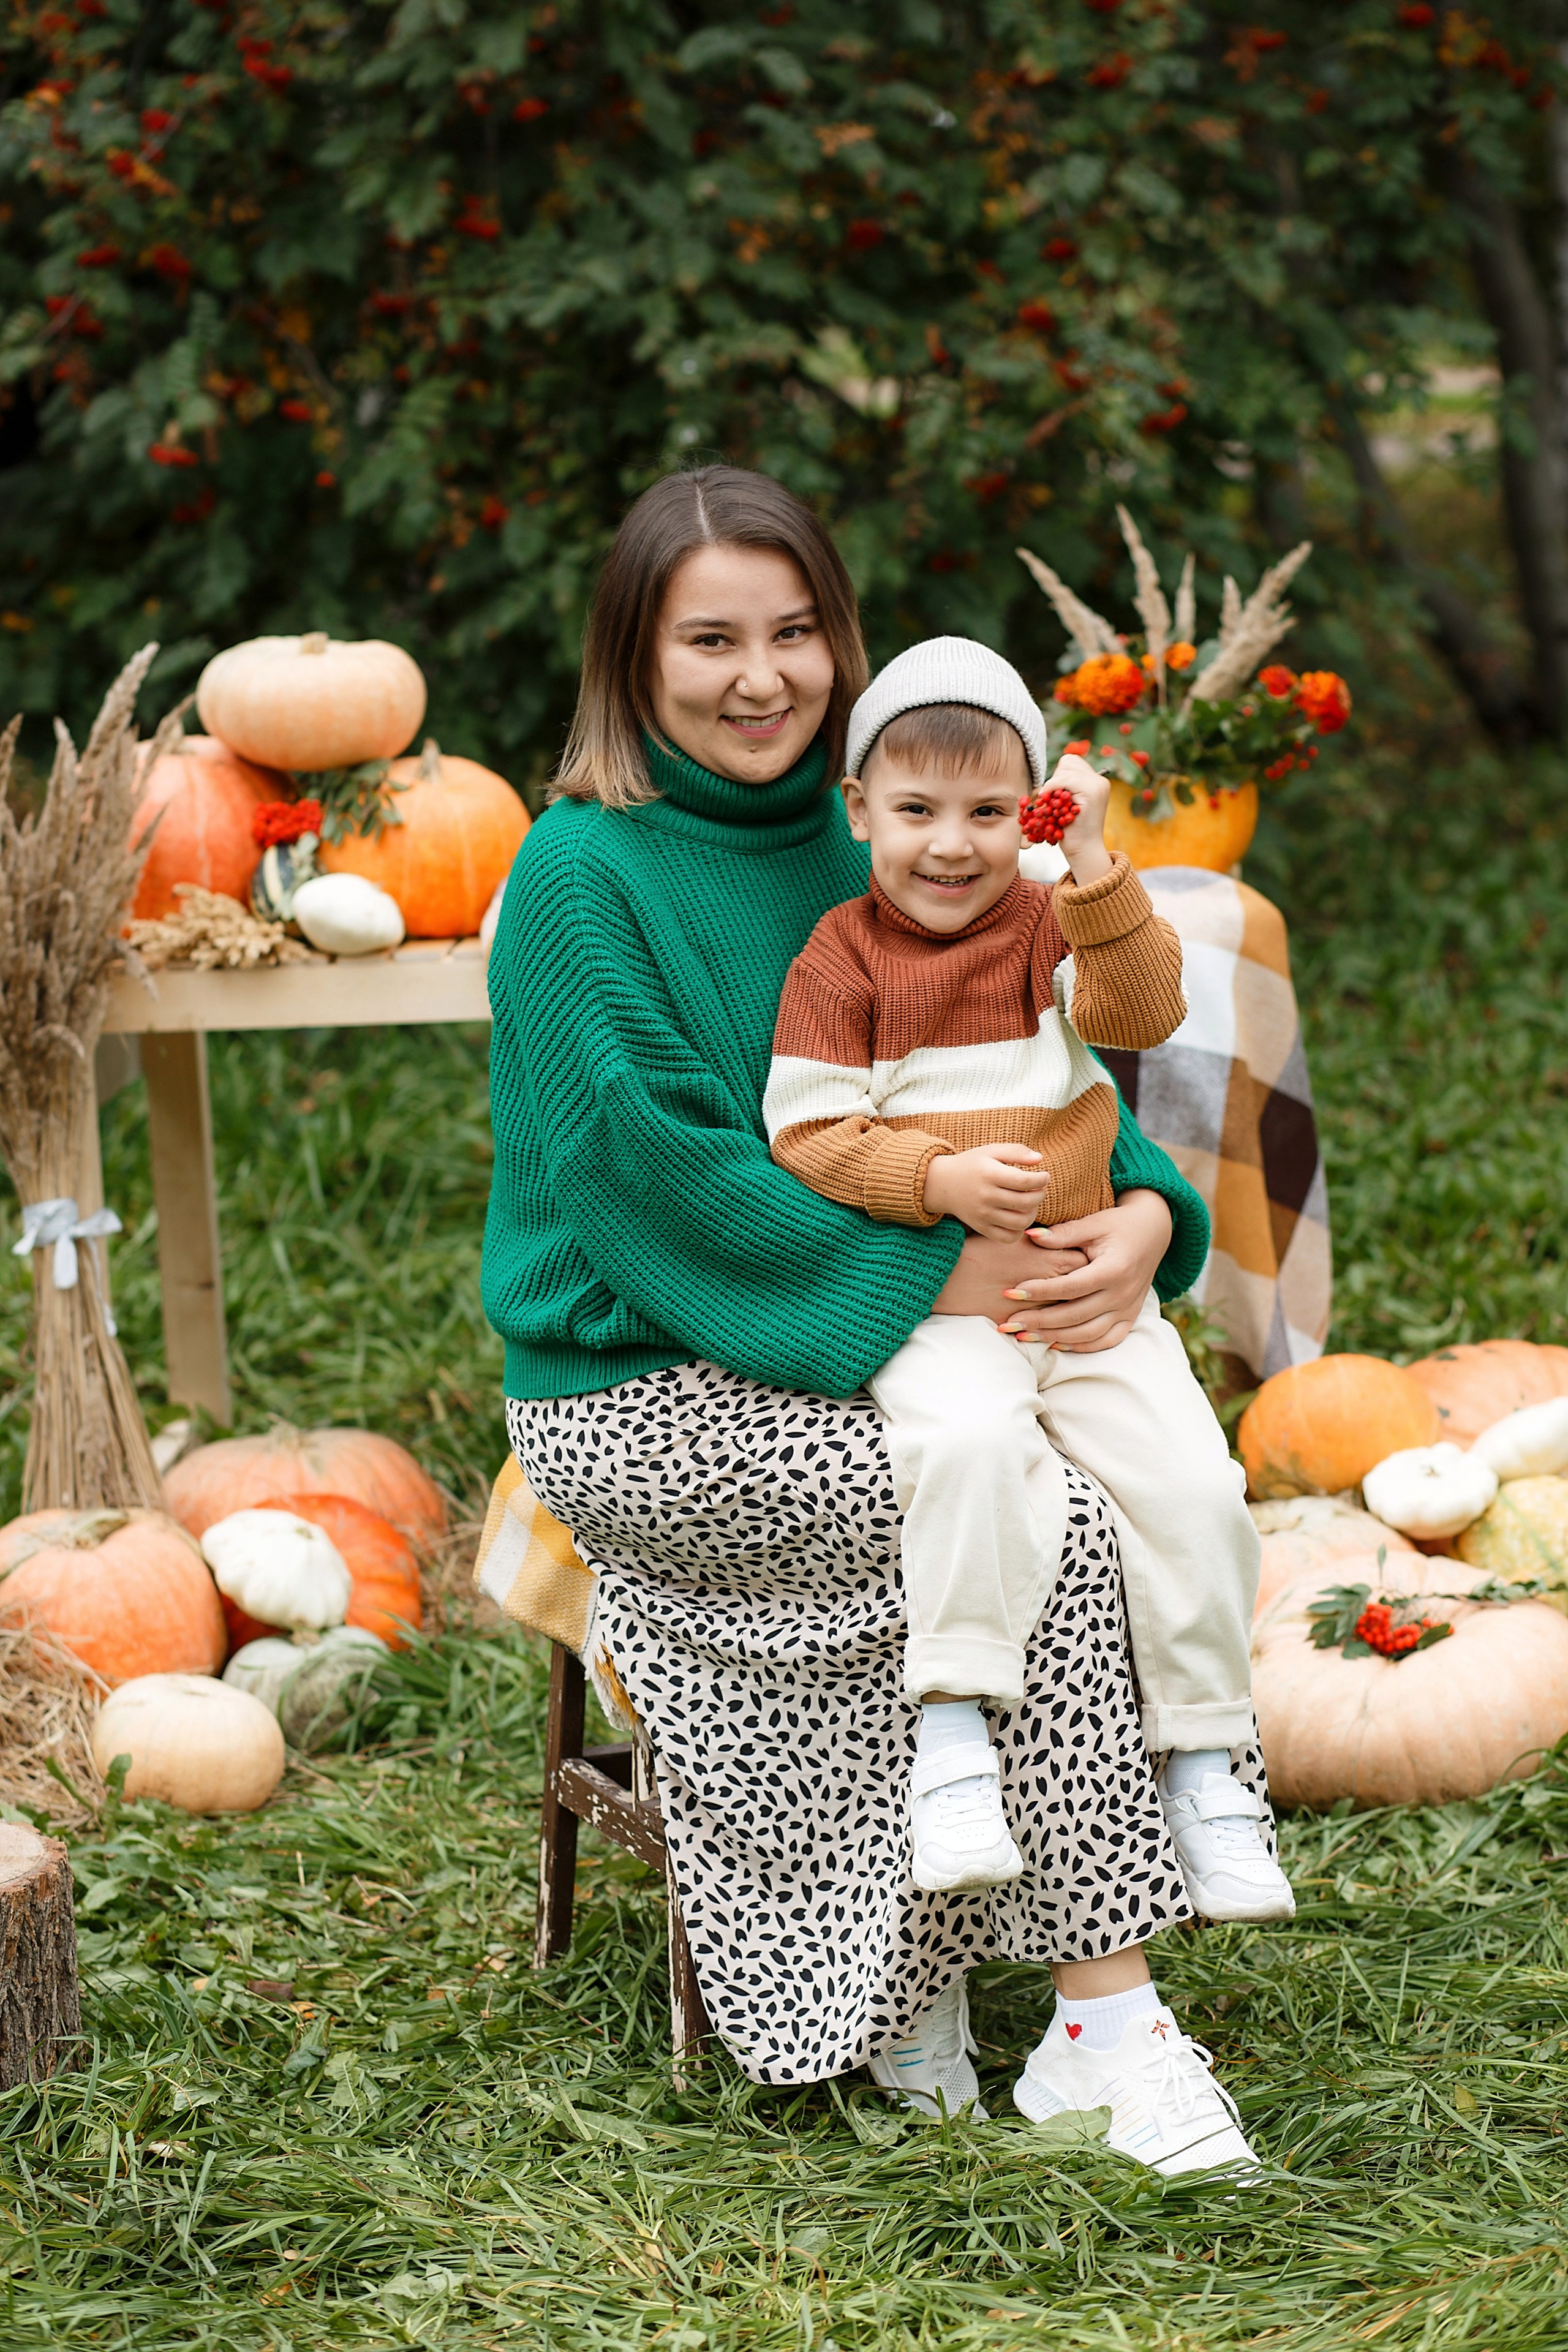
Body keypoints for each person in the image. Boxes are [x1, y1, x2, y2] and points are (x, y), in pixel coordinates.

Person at [483, 463, 1268, 2173]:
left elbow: (1035, 1085)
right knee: (1031, 1512)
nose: (757, 675)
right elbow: (647, 1178)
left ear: (843, 651)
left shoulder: (907, 832)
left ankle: (960, 1965)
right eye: (709, 639)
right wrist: (946, 1270)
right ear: (634, 658)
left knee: (1102, 1460)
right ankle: (1105, 2020)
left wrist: (1145, 1214)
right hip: (649, 1379)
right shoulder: (578, 877)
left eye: (793, 633)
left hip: (892, 1325)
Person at [764, 638, 1295, 1926]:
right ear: (857, 813)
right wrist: (930, 1183)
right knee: (960, 1447)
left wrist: (1098, 864)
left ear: (1030, 819)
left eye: (989, 814)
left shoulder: (1044, 920)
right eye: (915, 813)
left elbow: (1138, 1010)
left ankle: (1204, 1760)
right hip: (946, 1300)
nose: (951, 846)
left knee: (1189, 1480)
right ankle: (952, 1737)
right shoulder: (838, 964)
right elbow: (809, 1133)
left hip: (1083, 1296)